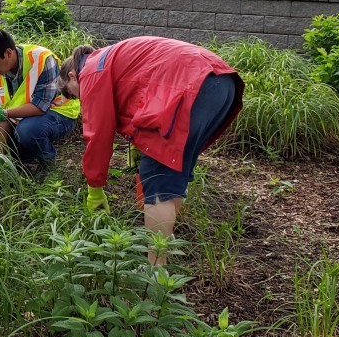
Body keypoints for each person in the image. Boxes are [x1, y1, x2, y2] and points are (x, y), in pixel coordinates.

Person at [59, 37, 244, 265]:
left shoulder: (91, 71)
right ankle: (166, 242)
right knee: (173, 170)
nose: (80, 99)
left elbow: (98, 134)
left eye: (74, 94)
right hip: (221, 82)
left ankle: (156, 271)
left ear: (71, 76)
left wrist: (95, 188)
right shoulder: (107, 57)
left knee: (157, 177)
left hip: (192, 84)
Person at [0, 28, 81, 176]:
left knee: (27, 131)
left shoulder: (42, 60)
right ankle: (17, 154)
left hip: (57, 111)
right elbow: (2, 111)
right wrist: (1, 154)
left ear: (8, 53)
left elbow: (40, 107)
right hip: (19, 110)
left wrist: (4, 112)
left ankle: (47, 162)